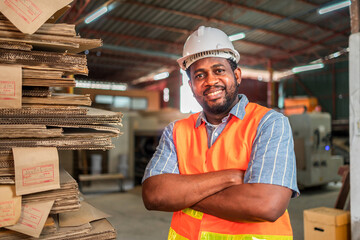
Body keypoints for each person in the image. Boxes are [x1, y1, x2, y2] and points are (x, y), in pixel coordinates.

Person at [142, 26, 299, 240]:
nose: (210, 81)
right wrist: (231, 177)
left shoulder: (269, 123)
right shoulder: (176, 131)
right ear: (191, 85)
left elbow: (267, 205)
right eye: (200, 75)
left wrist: (183, 194)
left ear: (236, 75)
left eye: (219, 70)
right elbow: (154, 195)